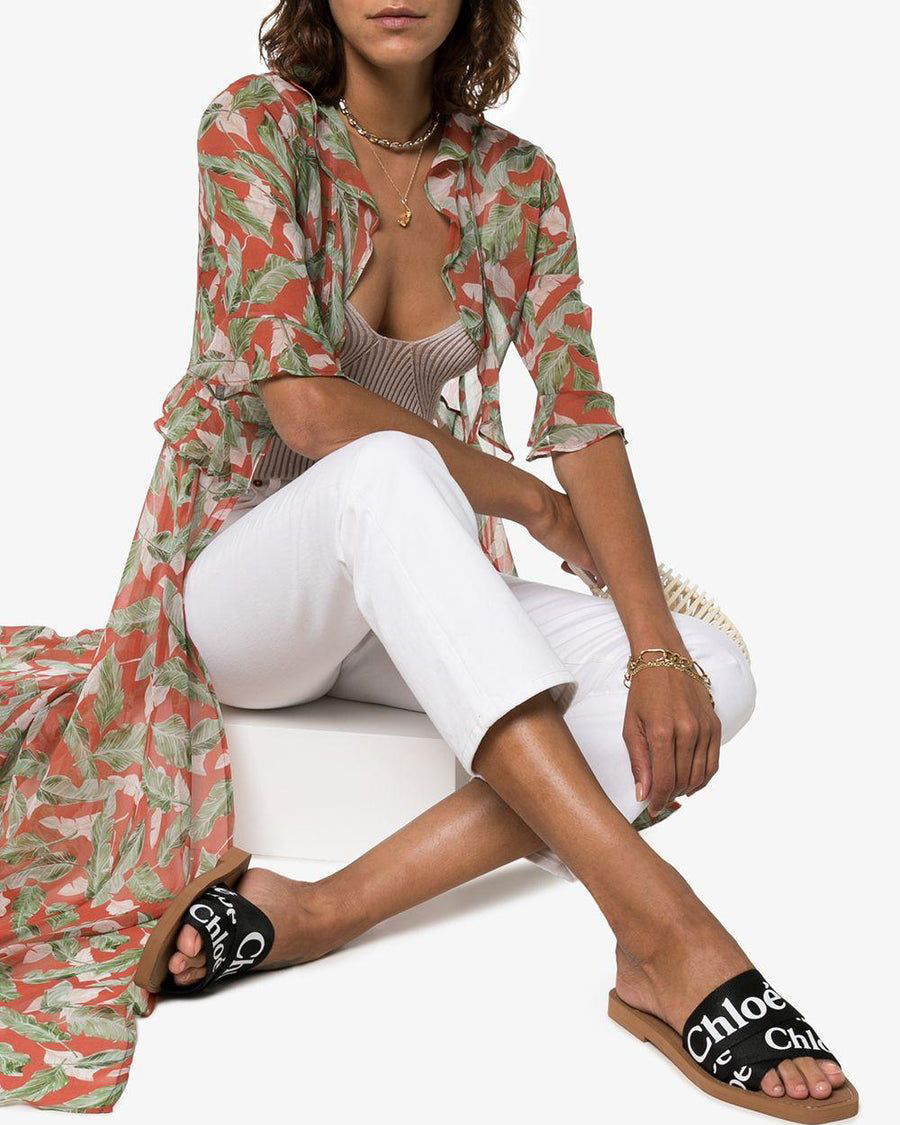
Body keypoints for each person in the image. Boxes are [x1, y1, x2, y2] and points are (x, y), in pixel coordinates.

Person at [0, 1, 856, 1118]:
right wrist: (535, 507)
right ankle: (664, 926)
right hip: (240, 600)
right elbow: (309, 410)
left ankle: (323, 909)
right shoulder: (254, 127)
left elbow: (583, 418)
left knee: (712, 672)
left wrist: (654, 650)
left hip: (405, 585)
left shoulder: (518, 181)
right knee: (386, 469)